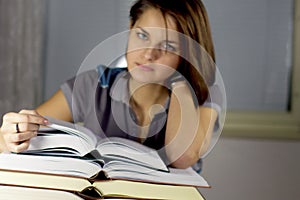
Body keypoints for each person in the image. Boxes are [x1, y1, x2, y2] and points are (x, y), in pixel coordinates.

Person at [0, 0, 221, 169]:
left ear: (188, 54)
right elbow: (18, 142)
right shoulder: (92, 85)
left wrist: (181, 83)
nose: (149, 54)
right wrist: (10, 135)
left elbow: (182, 157)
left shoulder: (202, 97)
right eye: (142, 36)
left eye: (168, 46)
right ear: (130, 27)